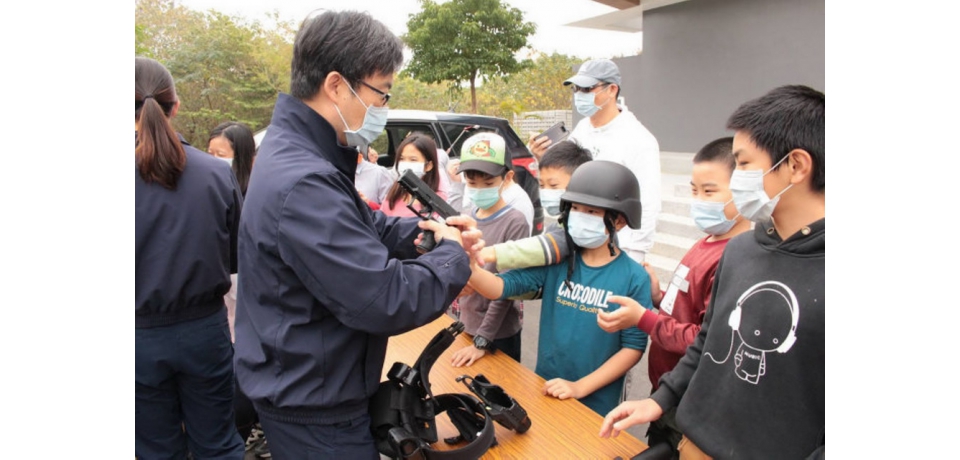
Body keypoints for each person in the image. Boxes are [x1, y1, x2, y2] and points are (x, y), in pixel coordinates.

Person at [232, 11, 483, 459]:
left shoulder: (303, 155)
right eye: (382, 91)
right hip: (315, 406)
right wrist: (451, 256)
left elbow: (362, 227)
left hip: (308, 381)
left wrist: (427, 233)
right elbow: (383, 298)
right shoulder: (304, 178)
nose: (383, 105)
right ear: (336, 85)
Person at [599, 85, 825, 460]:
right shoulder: (741, 250)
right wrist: (660, 401)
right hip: (693, 446)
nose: (738, 179)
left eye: (745, 164)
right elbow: (708, 343)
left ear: (796, 166)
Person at [594, 137, 750, 458]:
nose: (699, 200)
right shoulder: (708, 240)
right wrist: (658, 297)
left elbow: (704, 338)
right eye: (694, 190)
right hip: (665, 388)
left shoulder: (732, 257)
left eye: (710, 191)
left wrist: (643, 318)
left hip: (687, 396)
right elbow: (691, 309)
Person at [467, 160, 651, 417]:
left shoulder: (635, 277)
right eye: (575, 208)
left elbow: (633, 348)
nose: (578, 215)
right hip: (547, 387)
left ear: (619, 221)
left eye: (591, 211)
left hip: (597, 404)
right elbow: (501, 287)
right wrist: (469, 266)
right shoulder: (559, 262)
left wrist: (579, 387)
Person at [135, 57, 245, 459]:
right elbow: (236, 257)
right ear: (175, 106)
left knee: (153, 448)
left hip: (138, 338)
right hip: (204, 332)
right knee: (218, 443)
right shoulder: (215, 173)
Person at [530, 58, 661, 264]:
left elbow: (648, 203)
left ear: (612, 90)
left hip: (617, 247)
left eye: (587, 89)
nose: (579, 95)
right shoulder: (582, 129)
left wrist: (634, 253)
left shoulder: (639, 140)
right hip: (579, 239)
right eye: (576, 89)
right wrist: (545, 159)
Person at [449, 132, 529, 366]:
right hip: (466, 324)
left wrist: (482, 340)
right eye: (472, 183)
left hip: (499, 334)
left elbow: (508, 288)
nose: (479, 189)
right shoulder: (466, 217)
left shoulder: (515, 222)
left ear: (507, 178)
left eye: (488, 183)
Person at [478, 140, 593, 272]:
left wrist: (489, 253)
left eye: (554, 185)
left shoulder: (586, 225)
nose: (546, 192)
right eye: (542, 185)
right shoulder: (558, 224)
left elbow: (547, 246)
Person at [379, 132, 448, 217]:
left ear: (429, 165)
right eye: (402, 159)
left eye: (413, 160)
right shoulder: (393, 195)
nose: (406, 164)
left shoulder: (439, 201)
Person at [208, 121, 257, 196]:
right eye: (210, 153)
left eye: (221, 155)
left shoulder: (256, 193)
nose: (213, 159)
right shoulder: (208, 186)